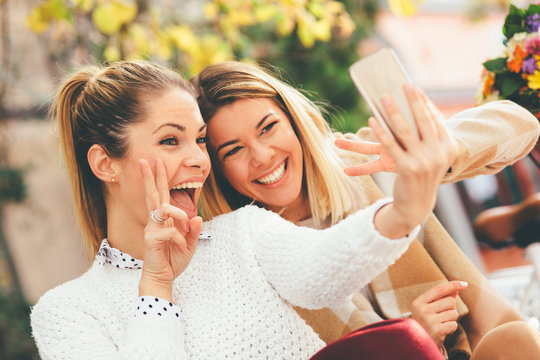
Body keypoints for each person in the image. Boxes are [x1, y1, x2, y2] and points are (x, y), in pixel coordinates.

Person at [30, 60, 454, 359]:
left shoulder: (245, 233)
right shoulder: (67, 312)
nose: (199, 159)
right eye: (170, 141)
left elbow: (323, 270)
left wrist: (405, 208)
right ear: (106, 164)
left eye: (199, 139)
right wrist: (157, 285)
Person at [193, 61, 540, 359]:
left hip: (485, 347)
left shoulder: (366, 162)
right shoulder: (246, 259)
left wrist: (436, 154)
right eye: (233, 150)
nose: (262, 156)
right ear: (217, 169)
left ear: (294, 121)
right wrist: (412, 338)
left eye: (268, 128)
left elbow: (521, 127)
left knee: (516, 339)